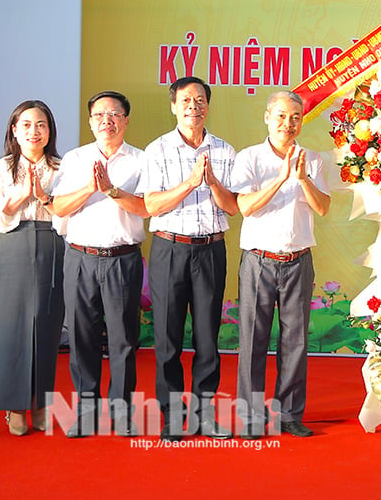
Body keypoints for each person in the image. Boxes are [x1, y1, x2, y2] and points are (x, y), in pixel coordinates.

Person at [140, 76, 238, 441]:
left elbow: (233, 207)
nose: (193, 106)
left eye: (199, 99)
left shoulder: (225, 151)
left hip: (211, 249)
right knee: (167, 336)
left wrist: (212, 182)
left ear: (208, 106)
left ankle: (204, 413)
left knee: (208, 336)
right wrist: (190, 182)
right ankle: (169, 414)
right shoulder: (157, 150)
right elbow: (151, 205)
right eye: (186, 100)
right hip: (170, 249)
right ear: (173, 106)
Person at [48, 91, 148, 437]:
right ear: (90, 121)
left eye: (115, 114)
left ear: (126, 120)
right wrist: (91, 186)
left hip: (122, 259)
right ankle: (86, 412)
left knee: (123, 341)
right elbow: (58, 208)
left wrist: (113, 191)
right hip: (79, 258)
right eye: (100, 115)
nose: (107, 120)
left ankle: (121, 414)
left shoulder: (141, 160)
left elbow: (147, 208)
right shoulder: (75, 160)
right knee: (82, 338)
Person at [231, 91, 330, 438]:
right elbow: (245, 207)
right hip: (259, 261)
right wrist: (280, 177)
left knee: (296, 341)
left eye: (295, 118)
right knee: (252, 340)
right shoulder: (249, 158)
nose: (288, 124)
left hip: (298, 261)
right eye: (281, 116)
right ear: (267, 117)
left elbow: (322, 208)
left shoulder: (313, 160)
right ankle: (252, 417)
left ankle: (289, 414)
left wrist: (301, 177)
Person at [0, 100, 64, 436]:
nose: (34, 131)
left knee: (47, 324)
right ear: (14, 130)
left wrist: (42, 196)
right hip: (12, 243)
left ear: (49, 131)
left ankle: (41, 403)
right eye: (26, 124)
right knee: (12, 326)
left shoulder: (62, 168)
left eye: (41, 124)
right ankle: (14, 407)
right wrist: (21, 194)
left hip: (52, 246)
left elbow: (69, 213)